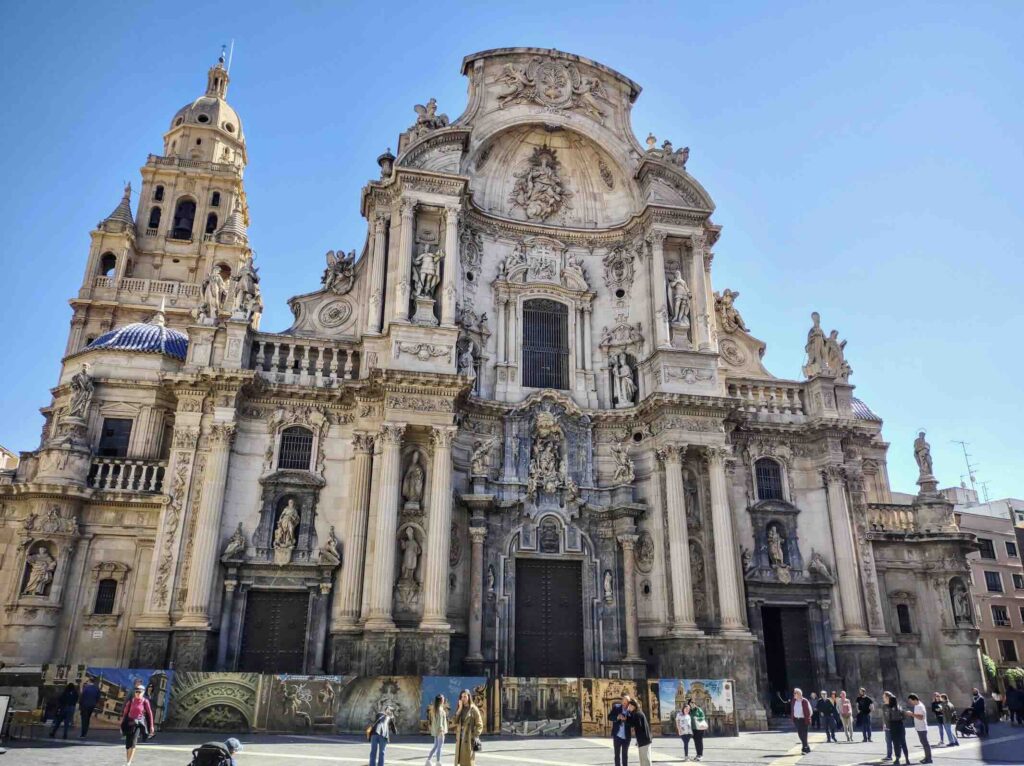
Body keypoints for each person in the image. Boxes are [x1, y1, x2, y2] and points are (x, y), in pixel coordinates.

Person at [122, 684, 155, 766]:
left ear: (143, 692)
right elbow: (125, 713)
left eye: (139, 692)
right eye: (136, 691)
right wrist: (122, 724)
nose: (138, 693)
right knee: (128, 744)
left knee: (133, 742)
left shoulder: (145, 701)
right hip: (130, 723)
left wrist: (151, 726)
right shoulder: (131, 701)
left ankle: (128, 763)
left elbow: (150, 714)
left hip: (138, 724)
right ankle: (127, 761)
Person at [453, 688, 483, 766]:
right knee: (461, 762)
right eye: (462, 697)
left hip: (469, 740)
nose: (463, 699)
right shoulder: (460, 708)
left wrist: (473, 736)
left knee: (468, 762)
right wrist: (459, 709)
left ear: (469, 697)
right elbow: (455, 721)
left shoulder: (473, 709)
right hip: (460, 739)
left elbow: (480, 725)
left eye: (465, 696)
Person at [883, 692, 909, 766]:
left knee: (896, 743)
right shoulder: (899, 707)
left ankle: (897, 759)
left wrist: (887, 726)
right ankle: (907, 759)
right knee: (903, 742)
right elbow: (904, 716)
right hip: (901, 725)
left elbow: (888, 718)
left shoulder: (889, 708)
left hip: (893, 726)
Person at [907, 694, 933, 764]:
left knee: (925, 743)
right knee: (924, 743)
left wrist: (912, 714)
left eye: (911, 701)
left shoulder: (920, 706)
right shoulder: (916, 705)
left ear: (915, 699)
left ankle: (929, 759)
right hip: (919, 727)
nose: (910, 702)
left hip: (922, 728)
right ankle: (927, 757)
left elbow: (921, 717)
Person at [626, 699, 653, 766]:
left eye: (630, 706)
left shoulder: (637, 714)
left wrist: (627, 716)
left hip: (644, 740)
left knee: (645, 759)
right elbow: (633, 723)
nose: (628, 708)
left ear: (633, 706)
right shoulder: (637, 713)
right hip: (643, 739)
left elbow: (634, 725)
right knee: (643, 759)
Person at [608, 693, 632, 766]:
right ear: (622, 702)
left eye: (626, 703)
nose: (624, 705)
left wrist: (627, 719)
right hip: (617, 736)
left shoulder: (630, 710)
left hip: (626, 737)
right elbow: (609, 717)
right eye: (623, 703)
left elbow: (632, 723)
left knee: (625, 755)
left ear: (628, 703)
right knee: (617, 755)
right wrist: (617, 717)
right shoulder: (616, 707)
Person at [426, 694, 448, 766]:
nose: (444, 700)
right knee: (439, 747)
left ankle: (428, 760)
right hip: (440, 731)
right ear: (441, 700)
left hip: (436, 731)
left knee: (435, 746)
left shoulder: (435, 709)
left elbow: (435, 722)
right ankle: (438, 762)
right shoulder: (440, 710)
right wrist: (441, 730)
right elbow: (440, 721)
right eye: (443, 699)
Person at [791, 688, 812, 754]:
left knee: (804, 734)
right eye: (794, 693)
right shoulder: (794, 701)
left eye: (795, 693)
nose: (794, 694)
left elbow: (810, 711)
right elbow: (793, 709)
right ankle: (807, 747)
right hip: (797, 720)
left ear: (799, 694)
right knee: (800, 734)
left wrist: (808, 718)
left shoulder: (805, 701)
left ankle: (804, 749)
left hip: (804, 720)